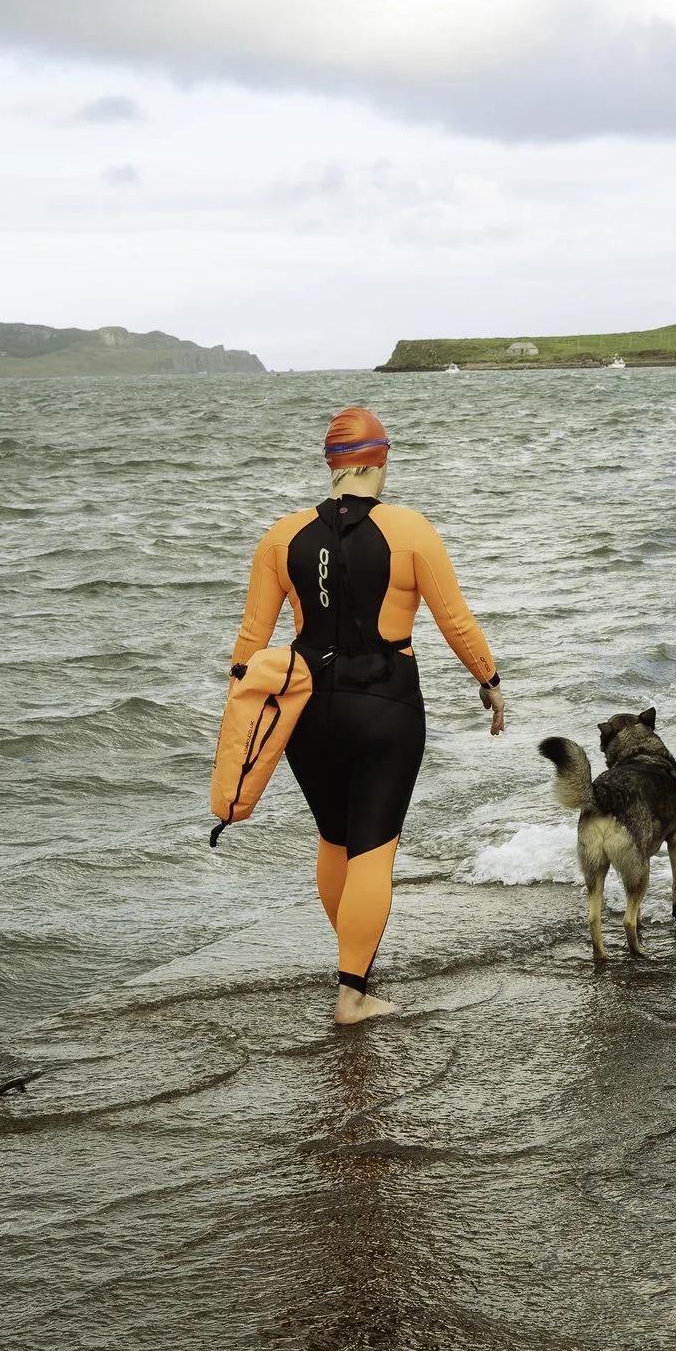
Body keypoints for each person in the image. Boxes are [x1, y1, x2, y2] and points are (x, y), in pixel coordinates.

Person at [230, 407, 505, 1025]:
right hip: (386, 707)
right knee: (374, 852)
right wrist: (488, 681)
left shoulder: (281, 536)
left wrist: (242, 721)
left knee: (335, 839)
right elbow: (454, 620)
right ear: (381, 458)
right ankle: (352, 993)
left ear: (332, 464)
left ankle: (355, 963)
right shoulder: (409, 529)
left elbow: (250, 642)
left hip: (304, 711)